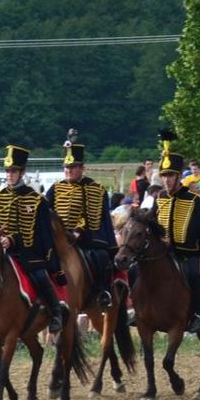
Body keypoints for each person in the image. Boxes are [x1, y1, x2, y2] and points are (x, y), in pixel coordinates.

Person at [0, 144, 62, 333]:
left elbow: (41, 232)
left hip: (28, 252)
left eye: (14, 171)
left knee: (40, 278)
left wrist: (13, 240)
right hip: (1, 252)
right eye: (7, 170)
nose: (10, 174)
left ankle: (55, 312)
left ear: (22, 172)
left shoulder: (37, 200)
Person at [44, 131, 117, 308]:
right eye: (66, 168)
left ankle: (102, 292)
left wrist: (78, 231)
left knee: (100, 257)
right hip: (59, 237)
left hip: (86, 237)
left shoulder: (95, 189)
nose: (69, 171)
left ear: (82, 168)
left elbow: (93, 214)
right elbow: (46, 211)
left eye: (73, 167)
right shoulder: (55, 188)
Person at [153, 130, 200, 333]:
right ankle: (142, 311)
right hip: (164, 253)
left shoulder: (196, 201)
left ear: (179, 176)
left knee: (193, 275)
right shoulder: (160, 198)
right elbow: (154, 224)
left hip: (187, 253)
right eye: (164, 175)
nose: (166, 180)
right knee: (139, 270)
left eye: (170, 175)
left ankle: (198, 313)